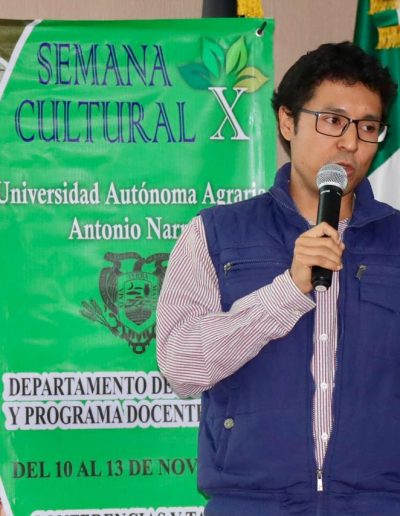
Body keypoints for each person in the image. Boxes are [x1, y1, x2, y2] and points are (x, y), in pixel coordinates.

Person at [156, 42, 399, 515]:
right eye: (333, 121)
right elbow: (181, 367)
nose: (350, 143)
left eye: (368, 127)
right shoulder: (215, 233)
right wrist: (287, 291)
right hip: (252, 502)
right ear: (288, 122)